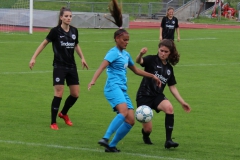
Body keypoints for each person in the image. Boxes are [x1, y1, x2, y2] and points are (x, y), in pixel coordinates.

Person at [88, 0, 161, 153]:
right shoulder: (113, 52)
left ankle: (112, 146)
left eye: (128, 40)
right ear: (117, 39)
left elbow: (136, 70)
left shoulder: (126, 54)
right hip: (112, 87)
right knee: (123, 112)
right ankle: (106, 138)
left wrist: (153, 76)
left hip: (122, 89)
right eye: (124, 40)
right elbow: (102, 66)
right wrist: (93, 80)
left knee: (131, 120)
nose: (126, 42)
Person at [29, 7, 89, 130]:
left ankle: (63, 113)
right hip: (59, 66)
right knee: (59, 93)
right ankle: (53, 122)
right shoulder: (55, 31)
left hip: (72, 66)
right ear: (61, 17)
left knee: (75, 94)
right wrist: (33, 57)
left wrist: (82, 58)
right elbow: (44, 43)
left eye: (70, 16)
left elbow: (76, 45)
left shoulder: (74, 31)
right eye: (66, 16)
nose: (68, 18)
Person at [135, 39, 191, 149]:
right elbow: (139, 61)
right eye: (161, 50)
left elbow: (172, 87)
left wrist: (182, 102)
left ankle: (168, 141)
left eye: (166, 52)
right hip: (144, 96)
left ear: (170, 53)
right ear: (158, 49)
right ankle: (145, 135)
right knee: (148, 129)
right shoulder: (151, 60)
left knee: (169, 108)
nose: (163, 53)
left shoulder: (169, 69)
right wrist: (141, 53)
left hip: (157, 96)